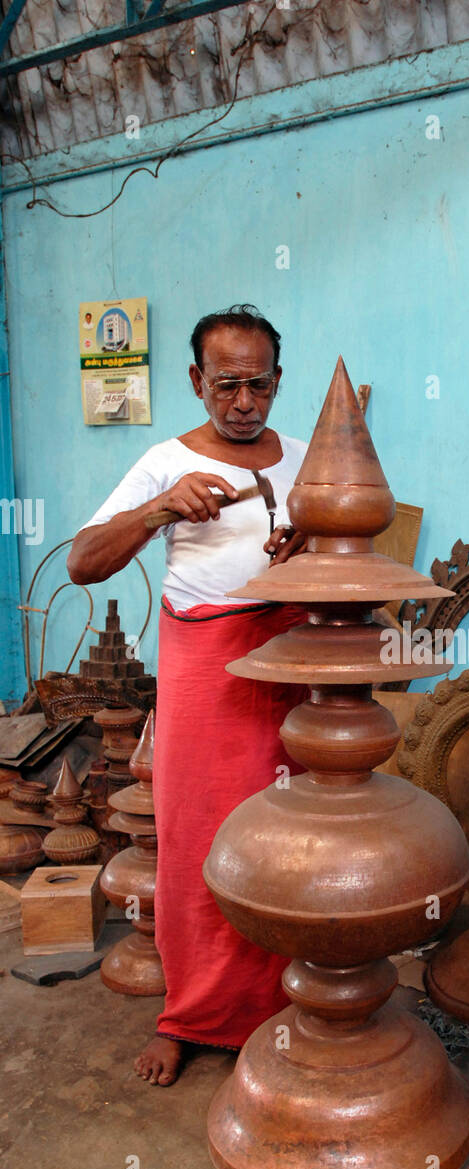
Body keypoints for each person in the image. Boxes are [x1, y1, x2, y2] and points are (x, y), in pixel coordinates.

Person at [68, 304, 308, 1086]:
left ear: (278, 380)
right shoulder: (163, 460)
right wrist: (161, 508)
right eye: (227, 384)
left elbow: (363, 544)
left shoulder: (307, 457)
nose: (244, 402)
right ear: (197, 382)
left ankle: (291, 1004)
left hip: (294, 658)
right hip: (207, 664)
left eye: (259, 384)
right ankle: (190, 1015)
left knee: (294, 840)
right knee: (199, 835)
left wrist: (312, 542)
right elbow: (82, 563)